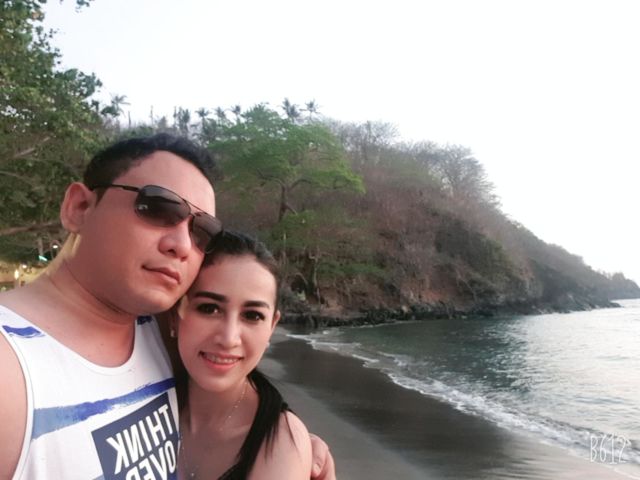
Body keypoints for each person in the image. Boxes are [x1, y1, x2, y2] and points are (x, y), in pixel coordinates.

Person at [0, 134, 334, 480]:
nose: (183, 245)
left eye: (202, 232)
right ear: (80, 208)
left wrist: (291, 443)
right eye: (158, 208)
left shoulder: (153, 332)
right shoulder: (10, 368)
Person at [166, 231, 311, 479]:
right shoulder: (140, 401)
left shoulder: (280, 445)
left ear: (272, 326)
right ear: (174, 316)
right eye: (209, 308)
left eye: (252, 315)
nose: (229, 338)